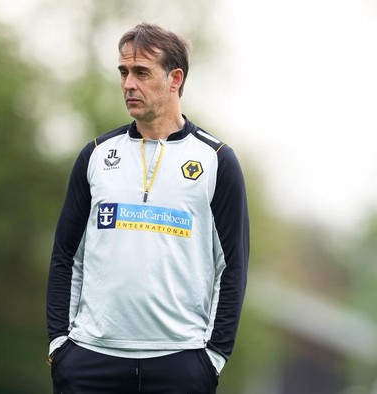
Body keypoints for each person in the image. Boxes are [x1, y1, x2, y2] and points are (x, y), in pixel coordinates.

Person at [46, 22, 249, 393]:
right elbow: (65, 256)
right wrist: (60, 345)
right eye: (123, 72)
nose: (128, 84)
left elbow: (232, 266)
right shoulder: (95, 155)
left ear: (175, 79)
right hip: (91, 360)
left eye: (141, 72)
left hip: (180, 362)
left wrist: (213, 357)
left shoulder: (217, 160)